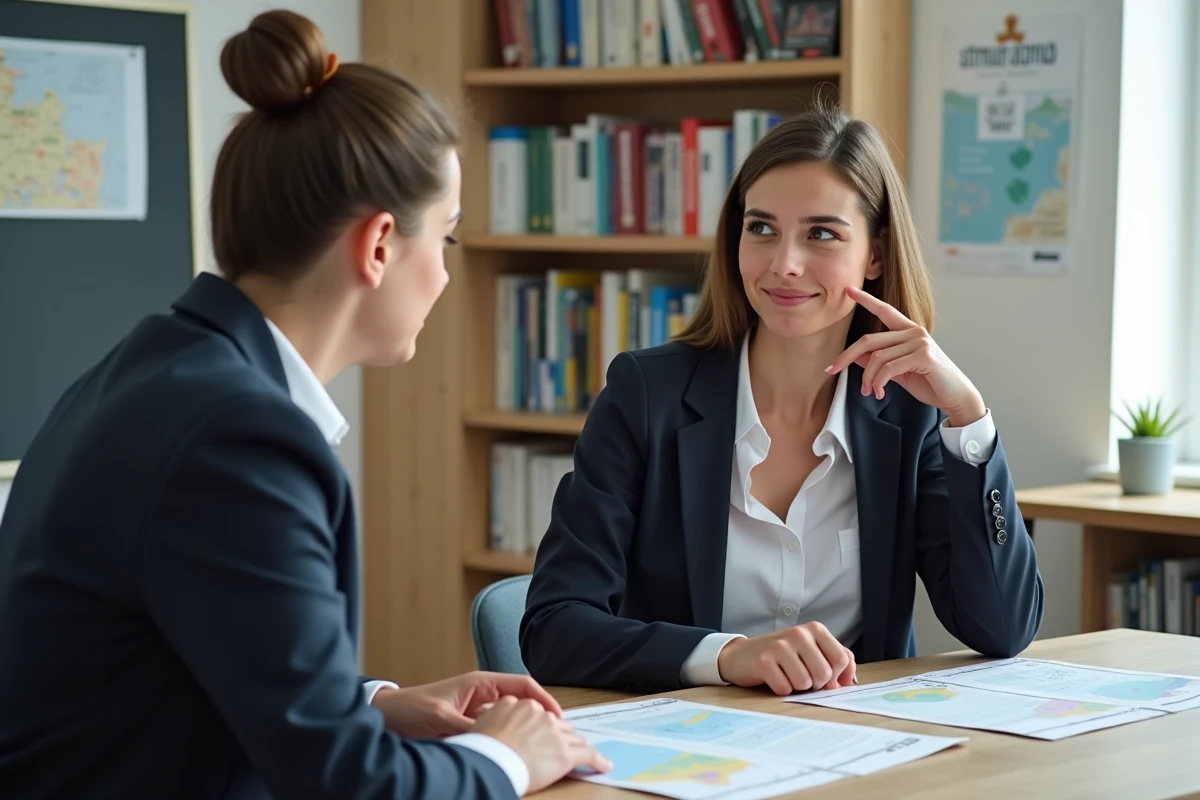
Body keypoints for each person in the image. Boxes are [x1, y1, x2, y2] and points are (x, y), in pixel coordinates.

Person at [0, 10, 607, 799]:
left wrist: (374, 705)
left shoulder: (154, 370)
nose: (450, 278)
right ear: (380, 244)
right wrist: (512, 757)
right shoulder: (239, 437)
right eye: (447, 241)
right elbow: (346, 787)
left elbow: (191, 658)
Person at [520, 107, 1044, 697]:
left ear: (875, 254)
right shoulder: (647, 397)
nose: (783, 264)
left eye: (821, 233)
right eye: (761, 228)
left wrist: (968, 421)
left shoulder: (910, 413)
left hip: (858, 752)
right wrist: (729, 657)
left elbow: (1002, 628)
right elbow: (553, 628)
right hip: (690, 750)